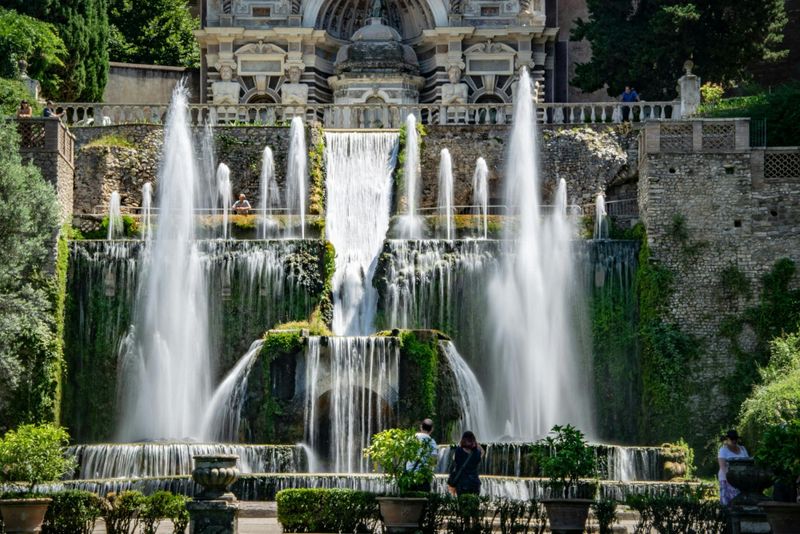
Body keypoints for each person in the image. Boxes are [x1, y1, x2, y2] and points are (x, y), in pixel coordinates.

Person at [718, 429, 749, 506]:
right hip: (727, 479)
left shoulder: (743, 449)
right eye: (732, 439)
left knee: (741, 502)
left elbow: (748, 463)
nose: (734, 441)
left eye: (735, 438)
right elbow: (722, 467)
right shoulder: (723, 450)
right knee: (728, 503)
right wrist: (730, 479)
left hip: (741, 479)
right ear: (727, 439)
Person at [407, 418, 438, 492]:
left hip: (409, 475)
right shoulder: (432, 442)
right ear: (432, 429)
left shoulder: (411, 438)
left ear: (421, 427)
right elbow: (433, 461)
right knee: (423, 497)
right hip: (423, 476)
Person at [447, 431, 482, 496]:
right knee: (473, 502)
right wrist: (476, 444)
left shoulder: (458, 451)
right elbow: (482, 453)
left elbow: (454, 459)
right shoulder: (477, 452)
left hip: (462, 483)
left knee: (462, 502)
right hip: (475, 483)